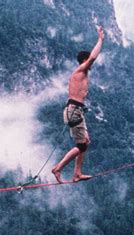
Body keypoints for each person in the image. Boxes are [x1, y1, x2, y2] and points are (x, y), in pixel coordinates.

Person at [52, 26, 105, 183]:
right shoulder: (81, 70)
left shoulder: (82, 74)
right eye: (88, 60)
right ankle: (58, 168)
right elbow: (93, 57)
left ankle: (77, 173)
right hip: (74, 111)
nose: (91, 63)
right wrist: (101, 40)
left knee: (85, 142)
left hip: (76, 111)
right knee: (81, 146)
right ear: (84, 60)